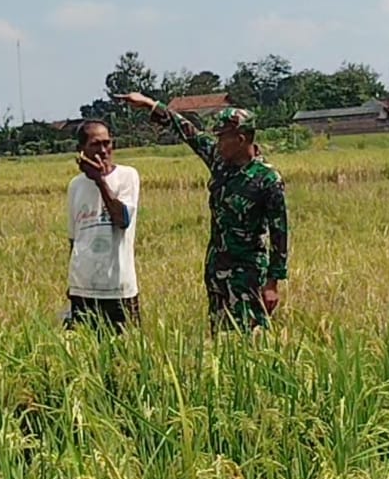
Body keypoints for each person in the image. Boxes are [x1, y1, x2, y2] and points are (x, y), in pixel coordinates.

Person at [115, 92, 288, 334]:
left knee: (251, 338)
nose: (217, 144)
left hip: (247, 275)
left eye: (222, 138)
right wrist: (150, 105)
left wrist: (272, 283)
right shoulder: (220, 162)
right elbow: (188, 132)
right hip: (217, 269)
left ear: (240, 139)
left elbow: (280, 235)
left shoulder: (267, 179)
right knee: (220, 335)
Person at [64, 119, 142, 333]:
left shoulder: (127, 176)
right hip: (83, 287)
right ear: (81, 151)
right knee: (85, 356)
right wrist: (71, 284)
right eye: (95, 145)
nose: (103, 150)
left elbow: (122, 220)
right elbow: (74, 238)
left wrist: (99, 181)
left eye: (107, 143)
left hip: (118, 288)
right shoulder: (75, 185)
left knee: (126, 355)